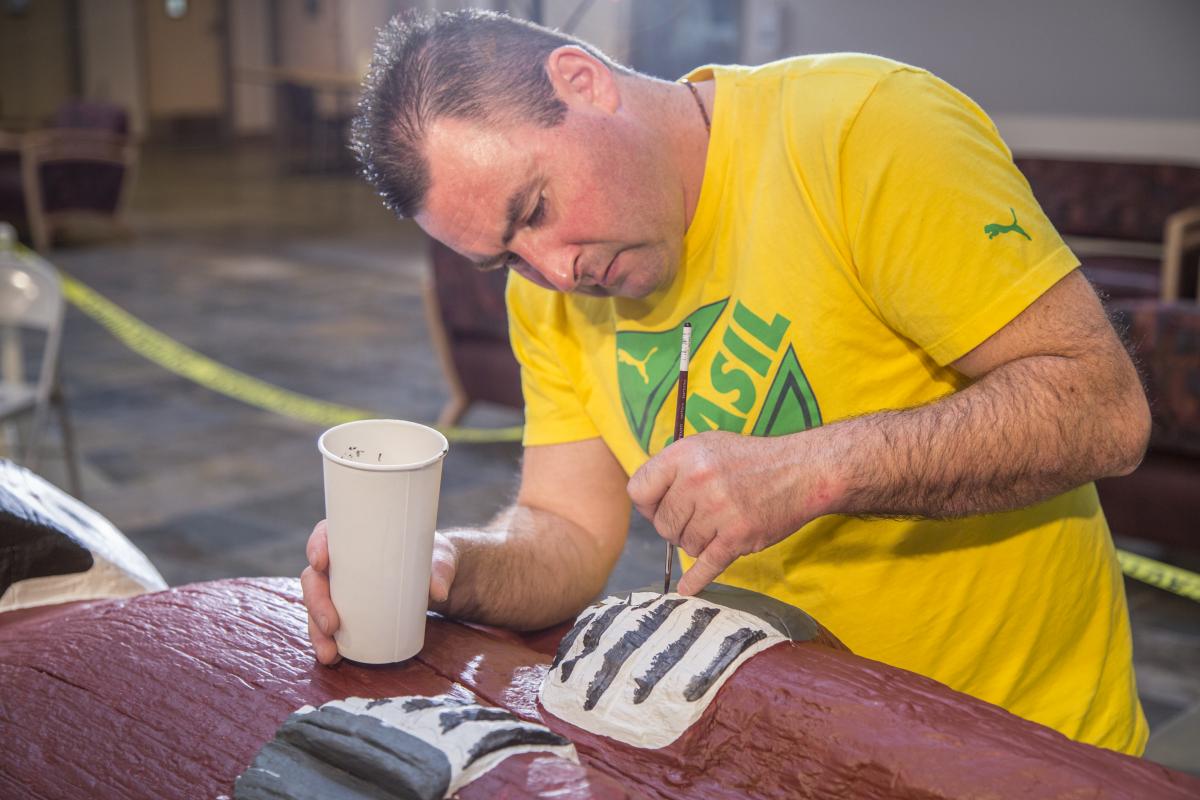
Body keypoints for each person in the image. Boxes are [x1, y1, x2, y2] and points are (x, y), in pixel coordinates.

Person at [302, 10, 1151, 755]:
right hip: (785, 737)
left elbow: (1104, 410)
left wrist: (814, 471)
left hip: (1012, 736)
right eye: (505, 257)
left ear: (584, 80)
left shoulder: (863, 128)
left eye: (534, 210)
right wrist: (445, 563)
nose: (555, 273)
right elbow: (567, 532)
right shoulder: (548, 292)